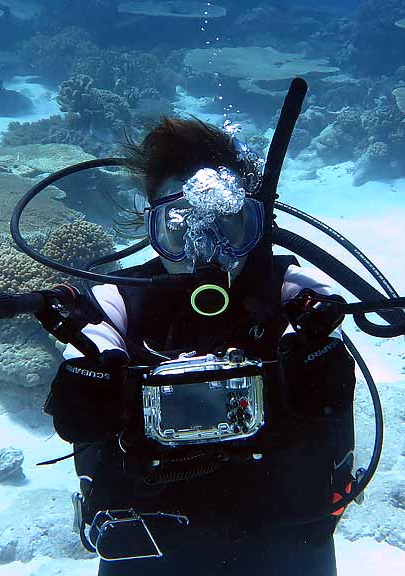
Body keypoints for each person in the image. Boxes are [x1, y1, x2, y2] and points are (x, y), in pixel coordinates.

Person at [42, 117, 359, 576]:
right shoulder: (118, 299)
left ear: (256, 223)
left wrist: (314, 354)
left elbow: (327, 356)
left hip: (285, 536)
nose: (205, 251)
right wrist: (87, 379)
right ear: (152, 230)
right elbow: (88, 356)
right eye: (180, 229)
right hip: (151, 544)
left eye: (228, 226)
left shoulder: (293, 293)